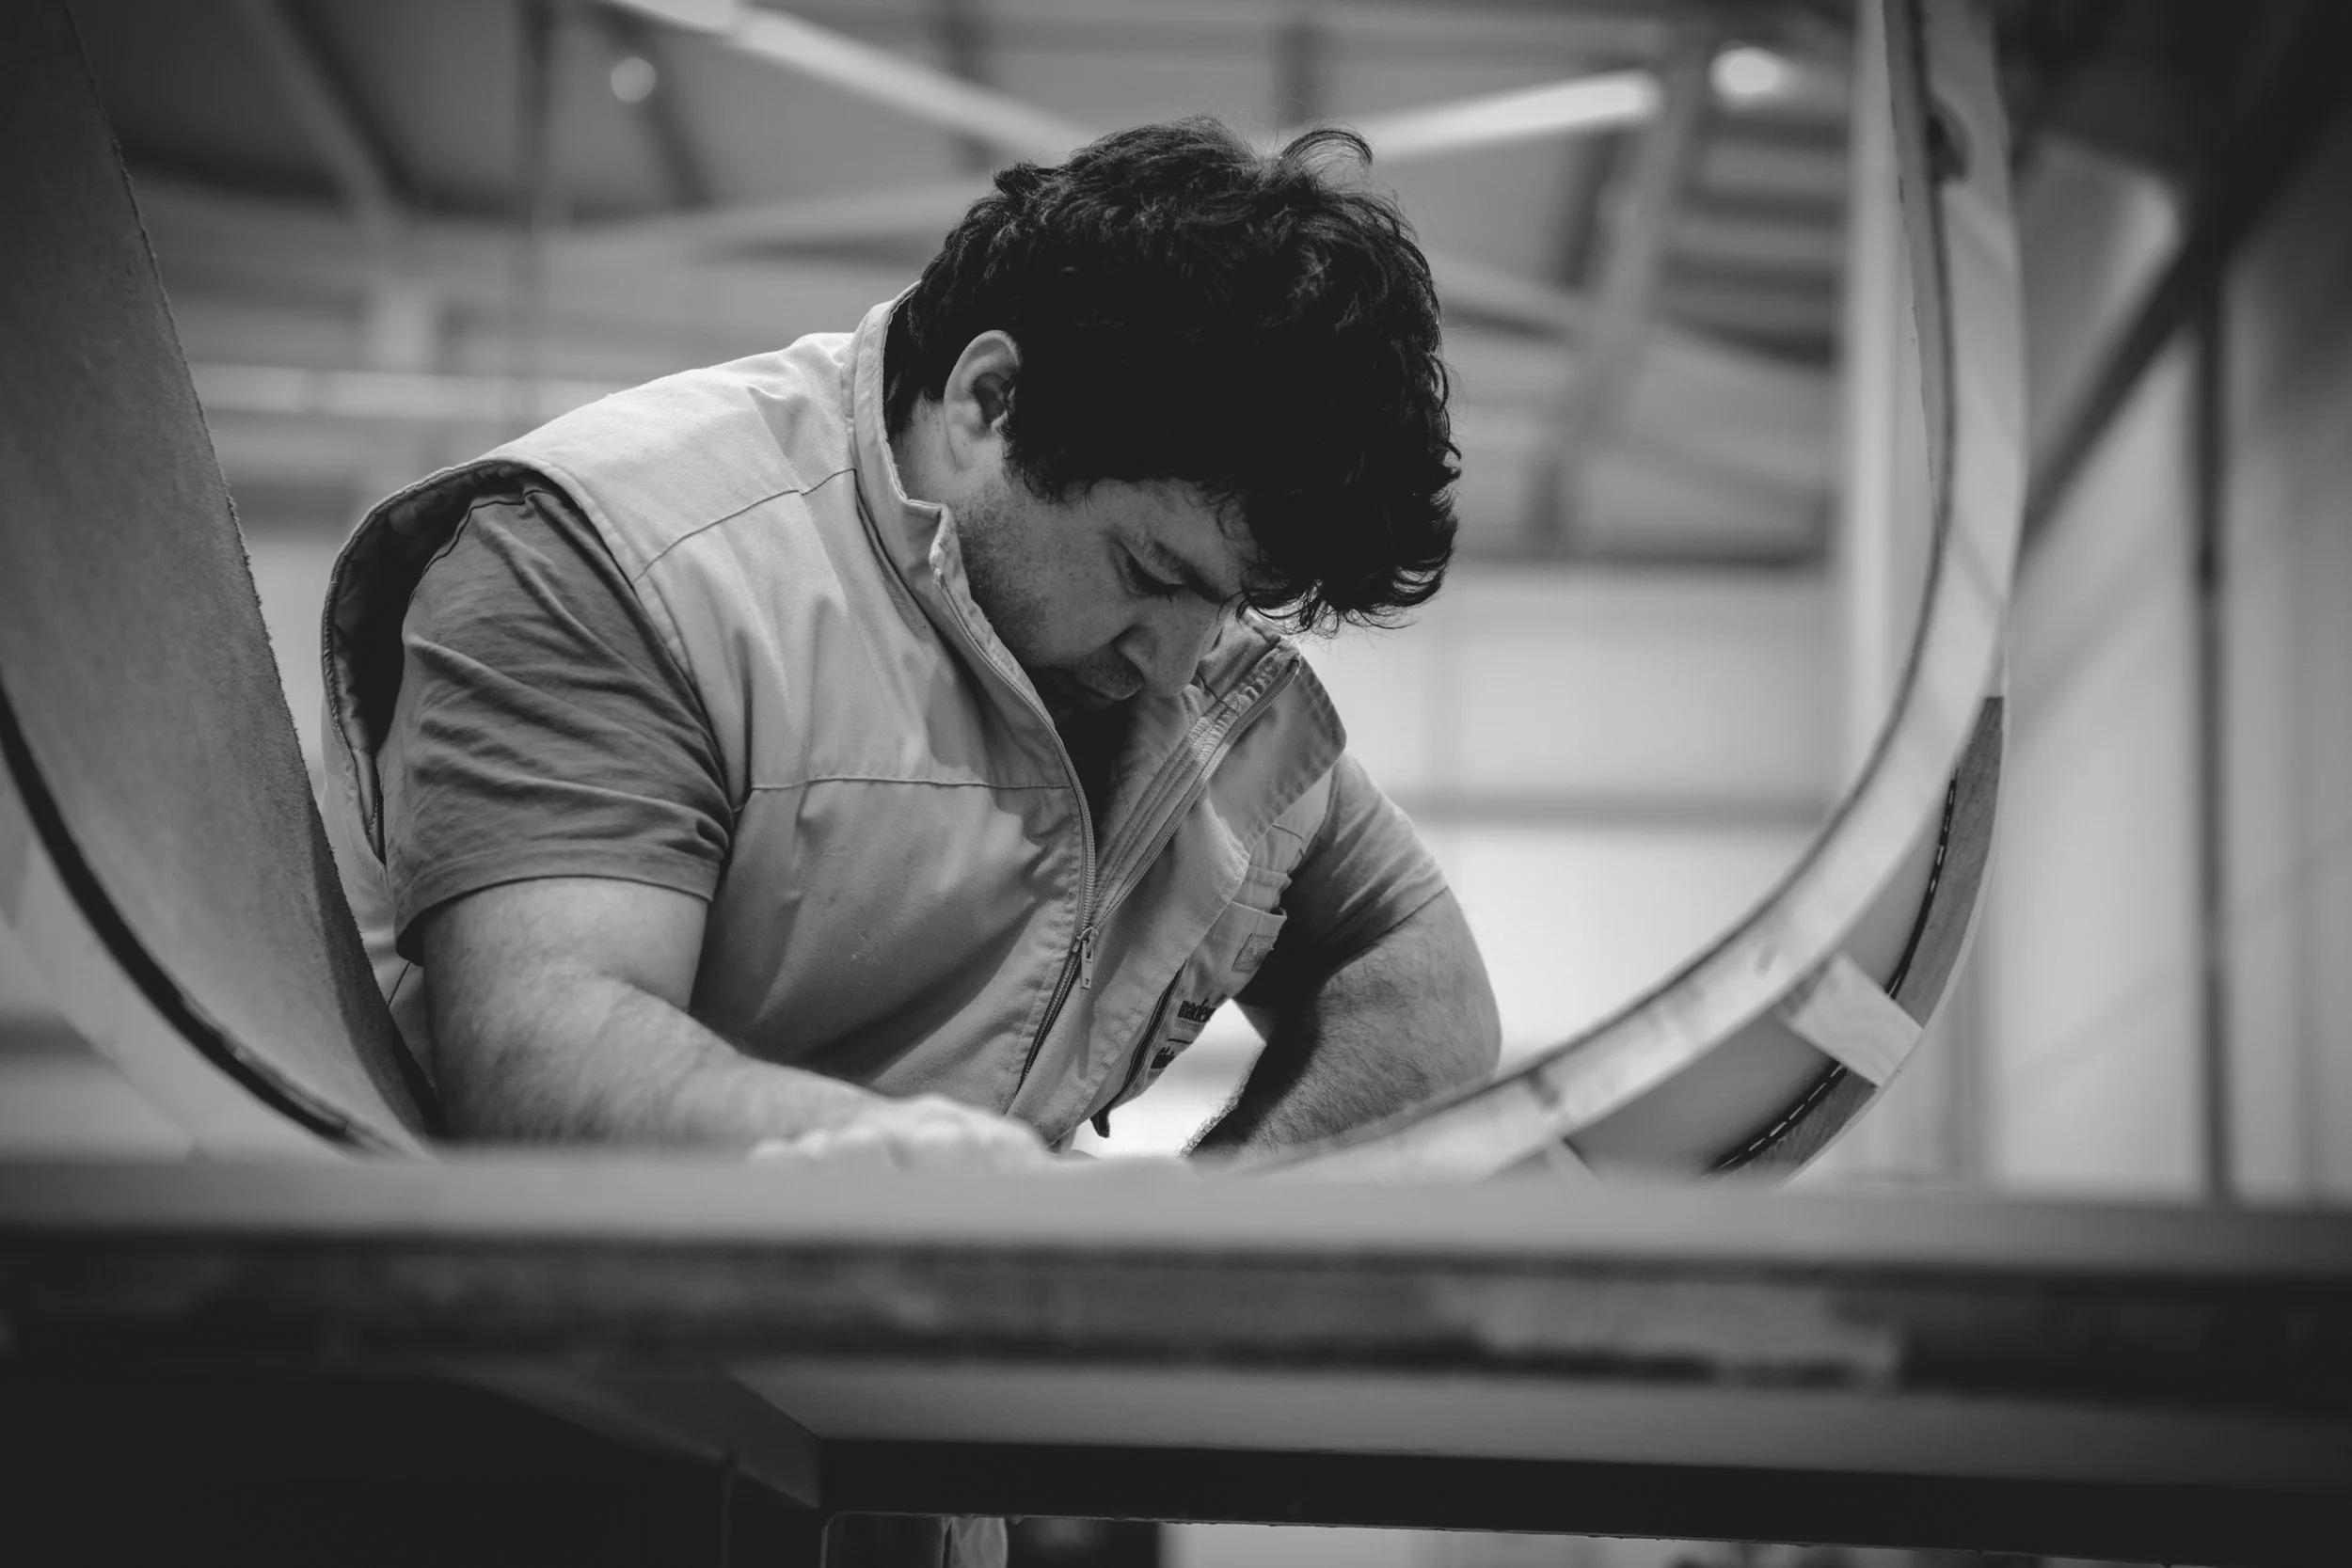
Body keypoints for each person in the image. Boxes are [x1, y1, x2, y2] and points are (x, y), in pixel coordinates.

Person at [320, 115, 1499, 1173]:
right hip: (542, 1375)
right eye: (1148, 572)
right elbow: (537, 1058)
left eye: (1234, 603)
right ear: (989, 402)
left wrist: (1203, 1240)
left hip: (936, 1366)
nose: (1178, 664)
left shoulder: (1205, 684)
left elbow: (1413, 966)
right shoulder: (619, 562)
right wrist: (895, 1180)